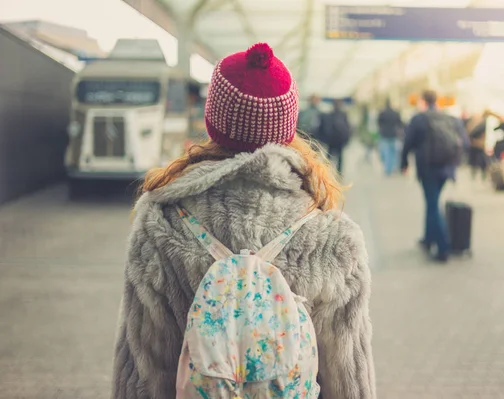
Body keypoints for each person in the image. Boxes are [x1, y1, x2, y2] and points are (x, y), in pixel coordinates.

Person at [111, 43, 375, 399]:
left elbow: (144, 362)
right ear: (287, 128)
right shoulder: (332, 234)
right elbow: (347, 372)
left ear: (214, 121)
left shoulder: (162, 220)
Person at [400, 90, 469, 263]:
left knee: (432, 205)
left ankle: (443, 247)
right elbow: (465, 143)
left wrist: (404, 163)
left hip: (428, 167)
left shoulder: (419, 119)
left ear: (423, 101)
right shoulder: (450, 118)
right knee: (432, 201)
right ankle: (428, 239)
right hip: (447, 168)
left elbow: (408, 142)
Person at [322, 99, 352, 174]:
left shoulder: (331, 114)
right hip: (338, 140)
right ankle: (338, 173)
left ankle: (328, 172)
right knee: (338, 158)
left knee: (330, 158)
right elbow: (347, 127)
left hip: (332, 140)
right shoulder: (343, 114)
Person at [377, 99, 404, 176]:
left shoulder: (382, 113)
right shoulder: (395, 113)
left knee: (386, 153)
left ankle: (387, 169)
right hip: (394, 135)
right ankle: (394, 168)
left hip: (384, 135)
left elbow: (379, 123)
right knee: (394, 153)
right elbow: (400, 123)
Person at [466, 111, 488, 181]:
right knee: (474, 160)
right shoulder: (471, 123)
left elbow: (472, 133)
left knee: (481, 160)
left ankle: (482, 172)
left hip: (479, 144)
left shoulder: (481, 124)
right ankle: (475, 172)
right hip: (474, 144)